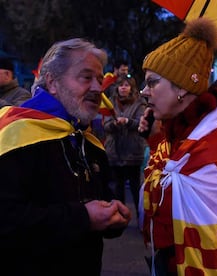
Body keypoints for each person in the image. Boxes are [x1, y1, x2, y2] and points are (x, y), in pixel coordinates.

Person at [0, 38, 131, 275]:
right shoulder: (14, 135)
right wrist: (83, 217)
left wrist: (112, 217)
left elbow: (99, 199)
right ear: (52, 81)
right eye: (86, 77)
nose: (96, 88)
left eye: (100, 80)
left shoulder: (87, 139)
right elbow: (7, 220)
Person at [138, 18, 217, 275]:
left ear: (182, 87)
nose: (144, 92)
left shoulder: (214, 148)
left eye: (152, 82)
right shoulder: (180, 131)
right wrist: (157, 138)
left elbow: (166, 205)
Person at [103, 74, 147, 221]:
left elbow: (141, 124)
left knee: (136, 188)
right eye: (121, 85)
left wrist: (128, 121)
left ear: (131, 88)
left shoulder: (139, 104)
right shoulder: (110, 103)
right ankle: (120, 218)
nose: (123, 88)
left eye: (126, 85)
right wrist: (114, 124)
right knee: (118, 188)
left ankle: (141, 218)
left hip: (132, 151)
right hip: (114, 151)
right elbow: (105, 125)